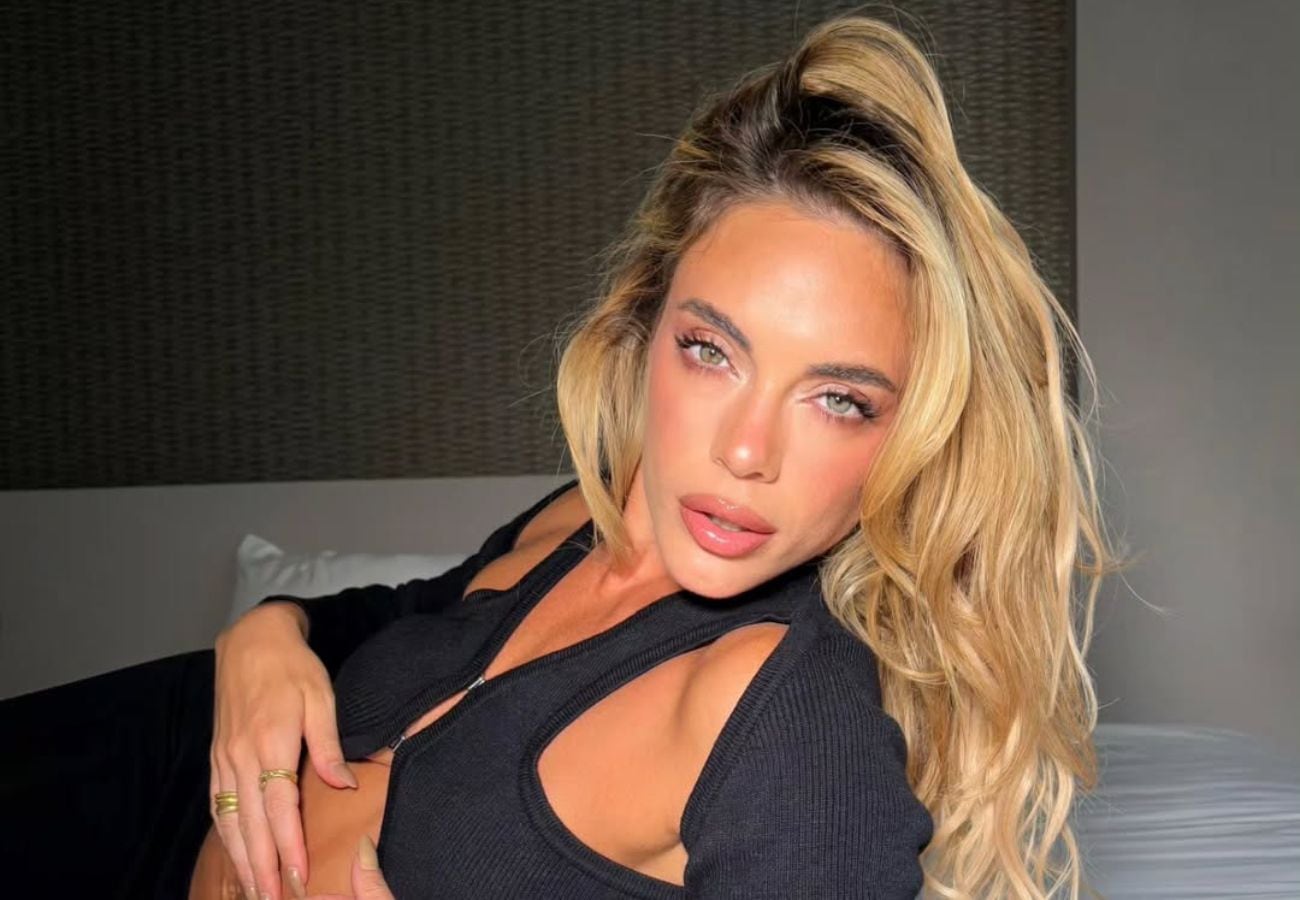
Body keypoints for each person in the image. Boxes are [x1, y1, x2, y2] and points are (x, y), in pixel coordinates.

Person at [3, 13, 1121, 900]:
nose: (745, 450)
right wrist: (264, 633)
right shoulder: (586, 512)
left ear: (912, 434)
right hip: (137, 786)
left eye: (838, 399)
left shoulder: (795, 725)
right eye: (712, 351)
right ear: (644, 329)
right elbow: (399, 621)